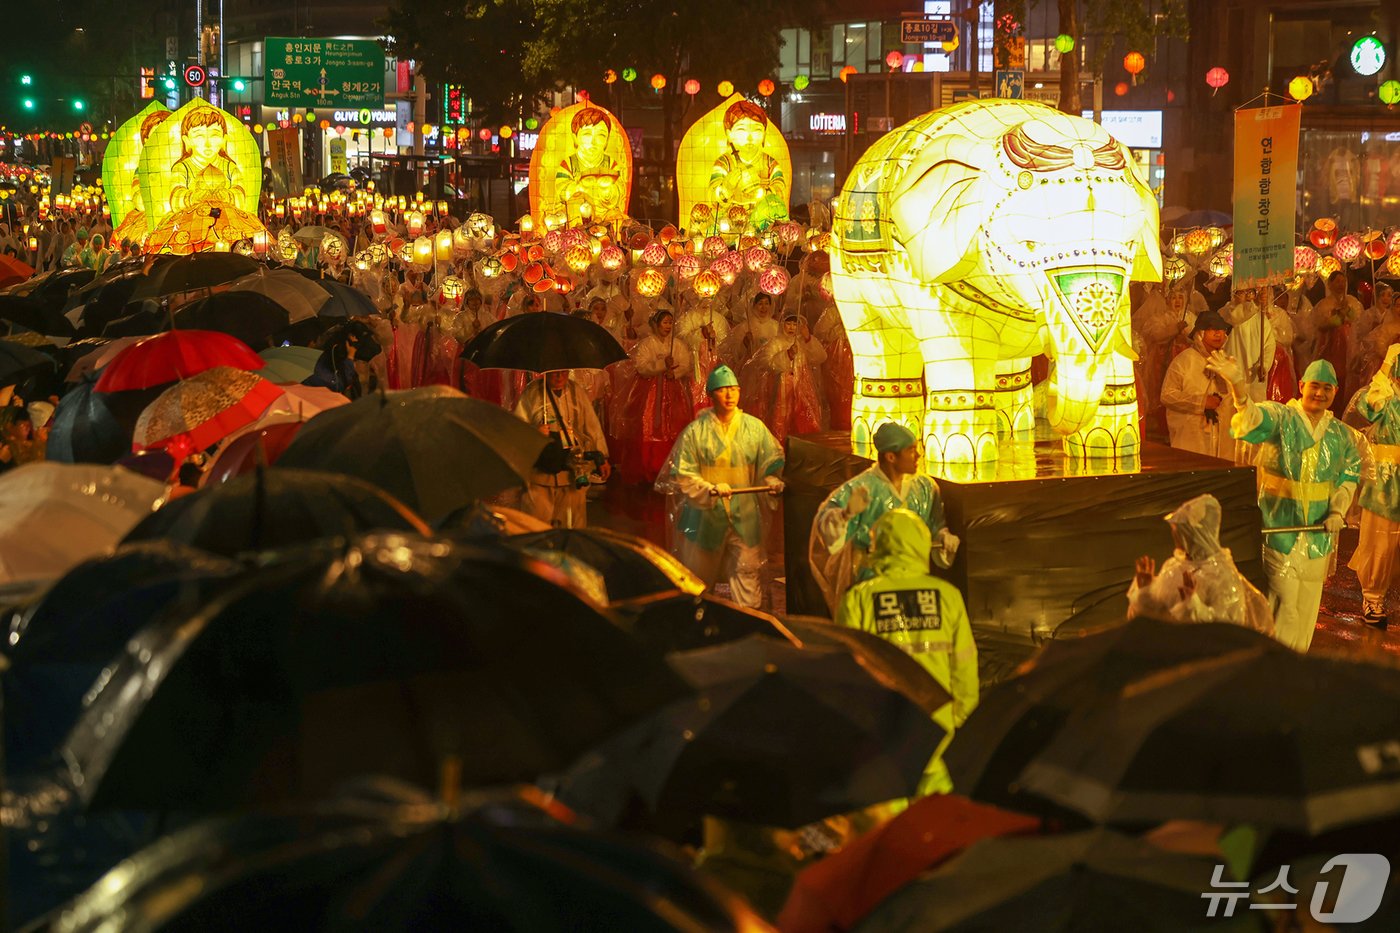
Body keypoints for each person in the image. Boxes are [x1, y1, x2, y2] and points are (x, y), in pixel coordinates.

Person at [1208, 353, 1361, 652]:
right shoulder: (1282, 418)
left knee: (1307, 607)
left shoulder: (1340, 435)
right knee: (1285, 606)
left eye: (1327, 388)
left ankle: (1295, 670)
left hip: (1318, 535)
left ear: (1335, 392)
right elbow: (1252, 419)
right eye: (1315, 385)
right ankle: (1272, 668)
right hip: (1280, 530)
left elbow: (1350, 473)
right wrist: (1238, 386)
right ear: (1301, 385)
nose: (1320, 393)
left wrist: (1337, 510)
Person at [836, 508, 977, 795]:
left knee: (888, 828)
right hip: (938, 736)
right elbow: (964, 666)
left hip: (883, 741)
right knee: (934, 830)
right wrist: (959, 722)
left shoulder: (859, 600)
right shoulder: (947, 596)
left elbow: (847, 673)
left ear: (879, 547)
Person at [656, 364, 784, 608]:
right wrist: (708, 489)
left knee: (747, 573)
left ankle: (747, 624)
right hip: (704, 517)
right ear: (711, 394)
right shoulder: (695, 432)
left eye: (734, 389)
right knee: (698, 581)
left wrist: (771, 481)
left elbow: (769, 461)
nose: (729, 395)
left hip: (744, 514)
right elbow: (683, 474)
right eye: (723, 390)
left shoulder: (754, 428)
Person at [810, 421, 959, 614]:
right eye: (911, 450)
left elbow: (935, 525)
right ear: (891, 457)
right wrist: (846, 514)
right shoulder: (861, 488)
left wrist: (944, 538)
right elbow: (826, 533)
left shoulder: (925, 487)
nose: (918, 455)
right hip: (872, 584)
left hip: (916, 582)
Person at [1128, 494, 1274, 635]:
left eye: (1179, 531)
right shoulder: (1174, 566)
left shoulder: (1222, 577)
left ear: (1194, 534)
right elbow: (1156, 616)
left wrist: (1193, 606)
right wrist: (1145, 591)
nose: (1174, 535)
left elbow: (1227, 631)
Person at [514, 369, 611, 528]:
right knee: (536, 526)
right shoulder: (532, 393)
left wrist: (602, 457)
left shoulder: (576, 392)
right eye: (554, 373)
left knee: (571, 525)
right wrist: (534, 432)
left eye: (563, 372)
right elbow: (517, 427)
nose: (559, 377)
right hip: (540, 476)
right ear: (545, 372)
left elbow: (591, 425)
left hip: (571, 472)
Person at [1348, 343, 1400, 624]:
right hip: (1385, 481)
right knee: (1379, 542)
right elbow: (1365, 407)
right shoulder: (1385, 398)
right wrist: (1383, 372)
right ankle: (1372, 598)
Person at [617, 310, 693, 484]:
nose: (668, 326)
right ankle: (648, 466)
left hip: (674, 392)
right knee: (649, 426)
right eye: (665, 322)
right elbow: (642, 367)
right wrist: (661, 365)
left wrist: (676, 373)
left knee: (674, 426)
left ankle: (672, 466)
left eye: (670, 322)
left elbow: (686, 364)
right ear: (656, 324)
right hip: (650, 392)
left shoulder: (678, 344)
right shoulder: (647, 344)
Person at [1160, 309, 1236, 460]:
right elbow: (1167, 396)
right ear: (1200, 334)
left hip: (1225, 444)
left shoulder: (1228, 362)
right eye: (1212, 330)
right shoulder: (1184, 361)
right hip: (1192, 441)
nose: (1218, 334)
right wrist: (1201, 402)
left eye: (1221, 329)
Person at [708, 100, 788, 230]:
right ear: (729, 134)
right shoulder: (724, 163)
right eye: (742, 130)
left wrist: (762, 192)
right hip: (730, 224)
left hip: (762, 222)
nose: (749, 137)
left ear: (764, 134)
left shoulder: (770, 164)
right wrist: (726, 189)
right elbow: (712, 198)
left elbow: (780, 192)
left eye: (757, 130)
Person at [168, 107, 247, 212]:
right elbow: (175, 197)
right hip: (192, 222)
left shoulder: (229, 167)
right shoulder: (182, 168)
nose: (207, 144)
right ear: (187, 141)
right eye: (199, 136)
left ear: (224, 140)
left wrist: (228, 197)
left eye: (214, 135)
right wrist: (192, 198)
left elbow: (241, 194)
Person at [554, 107, 623, 226]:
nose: (593, 141)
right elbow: (561, 191)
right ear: (575, 137)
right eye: (587, 134)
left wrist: (606, 190)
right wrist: (579, 187)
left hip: (604, 217)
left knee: (619, 220)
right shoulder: (569, 164)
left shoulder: (611, 164)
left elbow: (619, 191)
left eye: (601, 135)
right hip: (575, 216)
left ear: (607, 140)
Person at [1312, 271, 1361, 416]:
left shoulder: (1352, 301)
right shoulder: (1324, 304)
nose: (1341, 284)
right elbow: (1320, 324)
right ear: (1330, 284)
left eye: (1343, 281)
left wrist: (1348, 311)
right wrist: (1338, 316)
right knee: (1332, 377)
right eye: (1337, 281)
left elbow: (1358, 321)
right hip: (1330, 348)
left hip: (1349, 346)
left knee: (1348, 379)